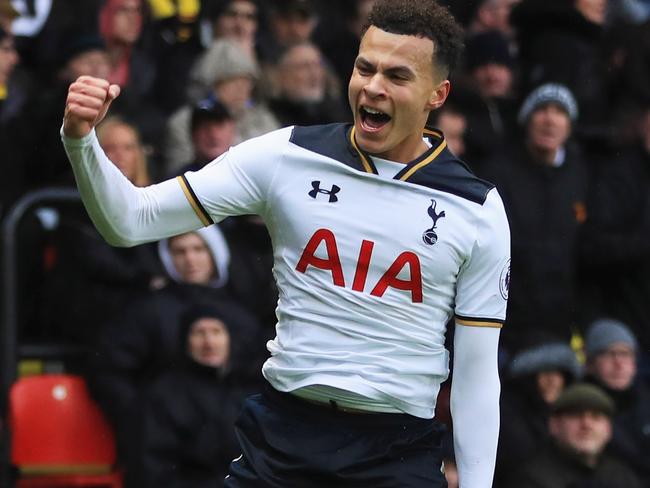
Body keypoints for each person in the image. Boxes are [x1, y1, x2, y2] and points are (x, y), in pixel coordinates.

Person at [61, 1, 510, 486]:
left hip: (395, 453)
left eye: (397, 76)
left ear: (436, 94)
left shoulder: (477, 208)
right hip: (282, 441)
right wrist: (80, 141)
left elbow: (476, 374)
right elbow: (130, 220)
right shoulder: (285, 155)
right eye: (365, 68)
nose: (373, 87)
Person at [482, 83, 588, 352]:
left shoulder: (581, 175)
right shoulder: (498, 172)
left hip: (562, 321)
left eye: (560, 112)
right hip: (505, 321)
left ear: (570, 125)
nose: (550, 119)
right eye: (541, 110)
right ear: (526, 119)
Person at [135, 303, 262, 487]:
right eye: (199, 333)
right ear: (185, 340)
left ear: (229, 338)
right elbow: (152, 466)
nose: (209, 342)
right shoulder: (164, 394)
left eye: (217, 332)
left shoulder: (250, 389)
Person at [508, 383, 643, 488]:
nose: (586, 425)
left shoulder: (623, 477)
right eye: (575, 415)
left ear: (609, 429)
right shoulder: (532, 479)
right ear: (554, 425)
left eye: (596, 417)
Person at [496, 338, 582, 486]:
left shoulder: (568, 413)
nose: (552, 381)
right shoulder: (508, 414)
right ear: (529, 377)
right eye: (545, 373)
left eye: (558, 374)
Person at [584, 318, 650, 484]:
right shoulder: (580, 407)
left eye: (625, 353)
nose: (619, 363)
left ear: (635, 363)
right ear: (590, 364)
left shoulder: (644, 399)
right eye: (609, 354)